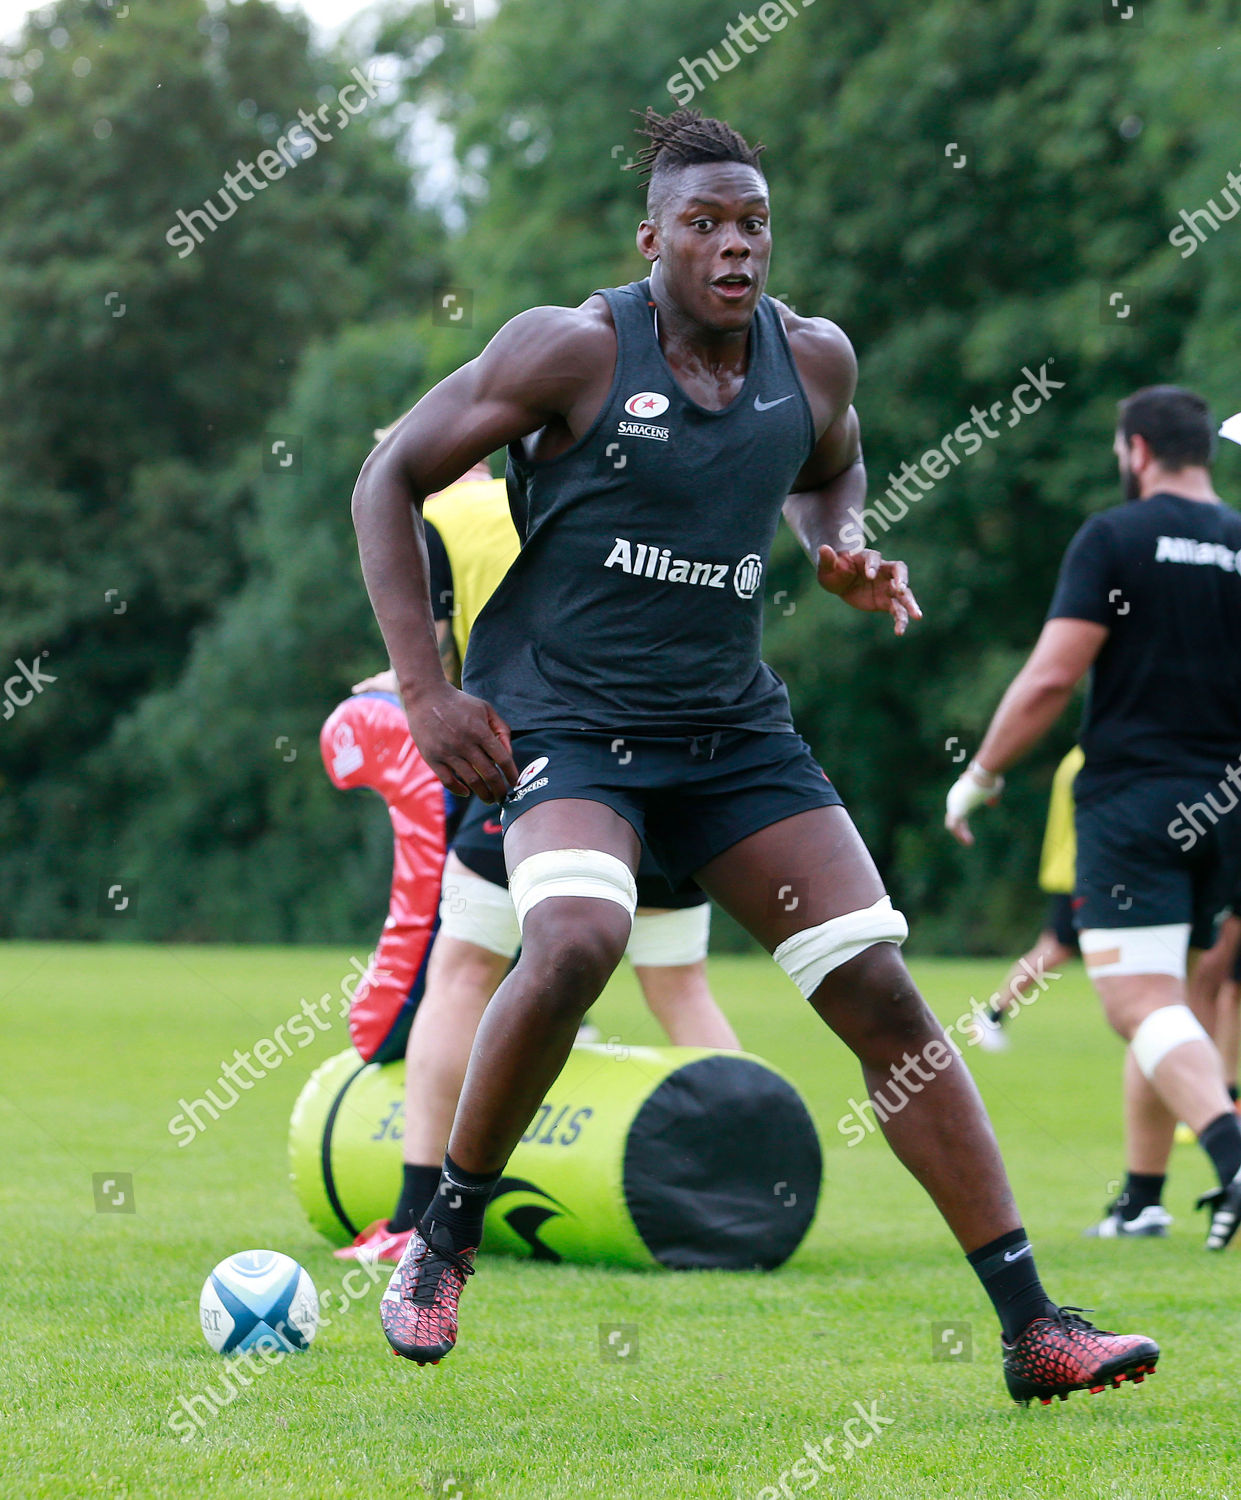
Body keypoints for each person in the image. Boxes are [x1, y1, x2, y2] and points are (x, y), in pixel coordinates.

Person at [352, 106, 1157, 1402]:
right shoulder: (568, 350)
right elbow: (385, 478)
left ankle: (1033, 1328)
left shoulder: (814, 360)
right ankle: (442, 1238)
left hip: (728, 732)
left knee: (883, 994)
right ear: (652, 238)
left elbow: (829, 468)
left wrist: (838, 546)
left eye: (753, 224)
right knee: (571, 945)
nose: (736, 248)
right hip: (562, 719)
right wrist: (425, 690)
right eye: (706, 225)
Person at [337, 462, 736, 1265]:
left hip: (550, 768)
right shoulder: (589, 483)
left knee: (462, 971)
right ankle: (747, 1180)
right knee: (680, 988)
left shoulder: (435, 522)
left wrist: (397, 685)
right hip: (681, 763)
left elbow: (443, 658)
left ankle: (419, 1211)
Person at [947, 384, 1241, 1247]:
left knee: (1136, 1000)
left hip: (1134, 800)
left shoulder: (1113, 536)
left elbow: (1049, 677)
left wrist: (983, 774)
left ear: (1136, 451)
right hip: (1226, 807)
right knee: (1173, 999)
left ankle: (1229, 1151)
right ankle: (1141, 1198)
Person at [968, 746, 1083, 1052]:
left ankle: (993, 1016)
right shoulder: (1091, 761)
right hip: (1084, 874)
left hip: (1079, 872)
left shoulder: (1076, 758)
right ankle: (992, 1016)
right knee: (1056, 949)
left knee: (1056, 950)